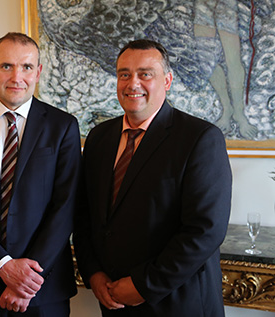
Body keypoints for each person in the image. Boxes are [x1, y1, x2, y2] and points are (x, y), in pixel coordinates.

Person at [73, 39, 232, 316]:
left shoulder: (200, 139)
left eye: (145, 74)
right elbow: (85, 213)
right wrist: (93, 273)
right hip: (112, 299)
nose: (133, 83)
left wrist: (144, 286)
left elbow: (204, 230)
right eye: (124, 74)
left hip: (177, 303)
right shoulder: (99, 138)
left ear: (167, 80)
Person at [0, 32, 81, 316]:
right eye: (7, 66)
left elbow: (66, 206)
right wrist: (3, 265)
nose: (16, 76)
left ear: (38, 72)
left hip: (43, 284)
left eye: (27, 67)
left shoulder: (63, 126)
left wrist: (26, 280)